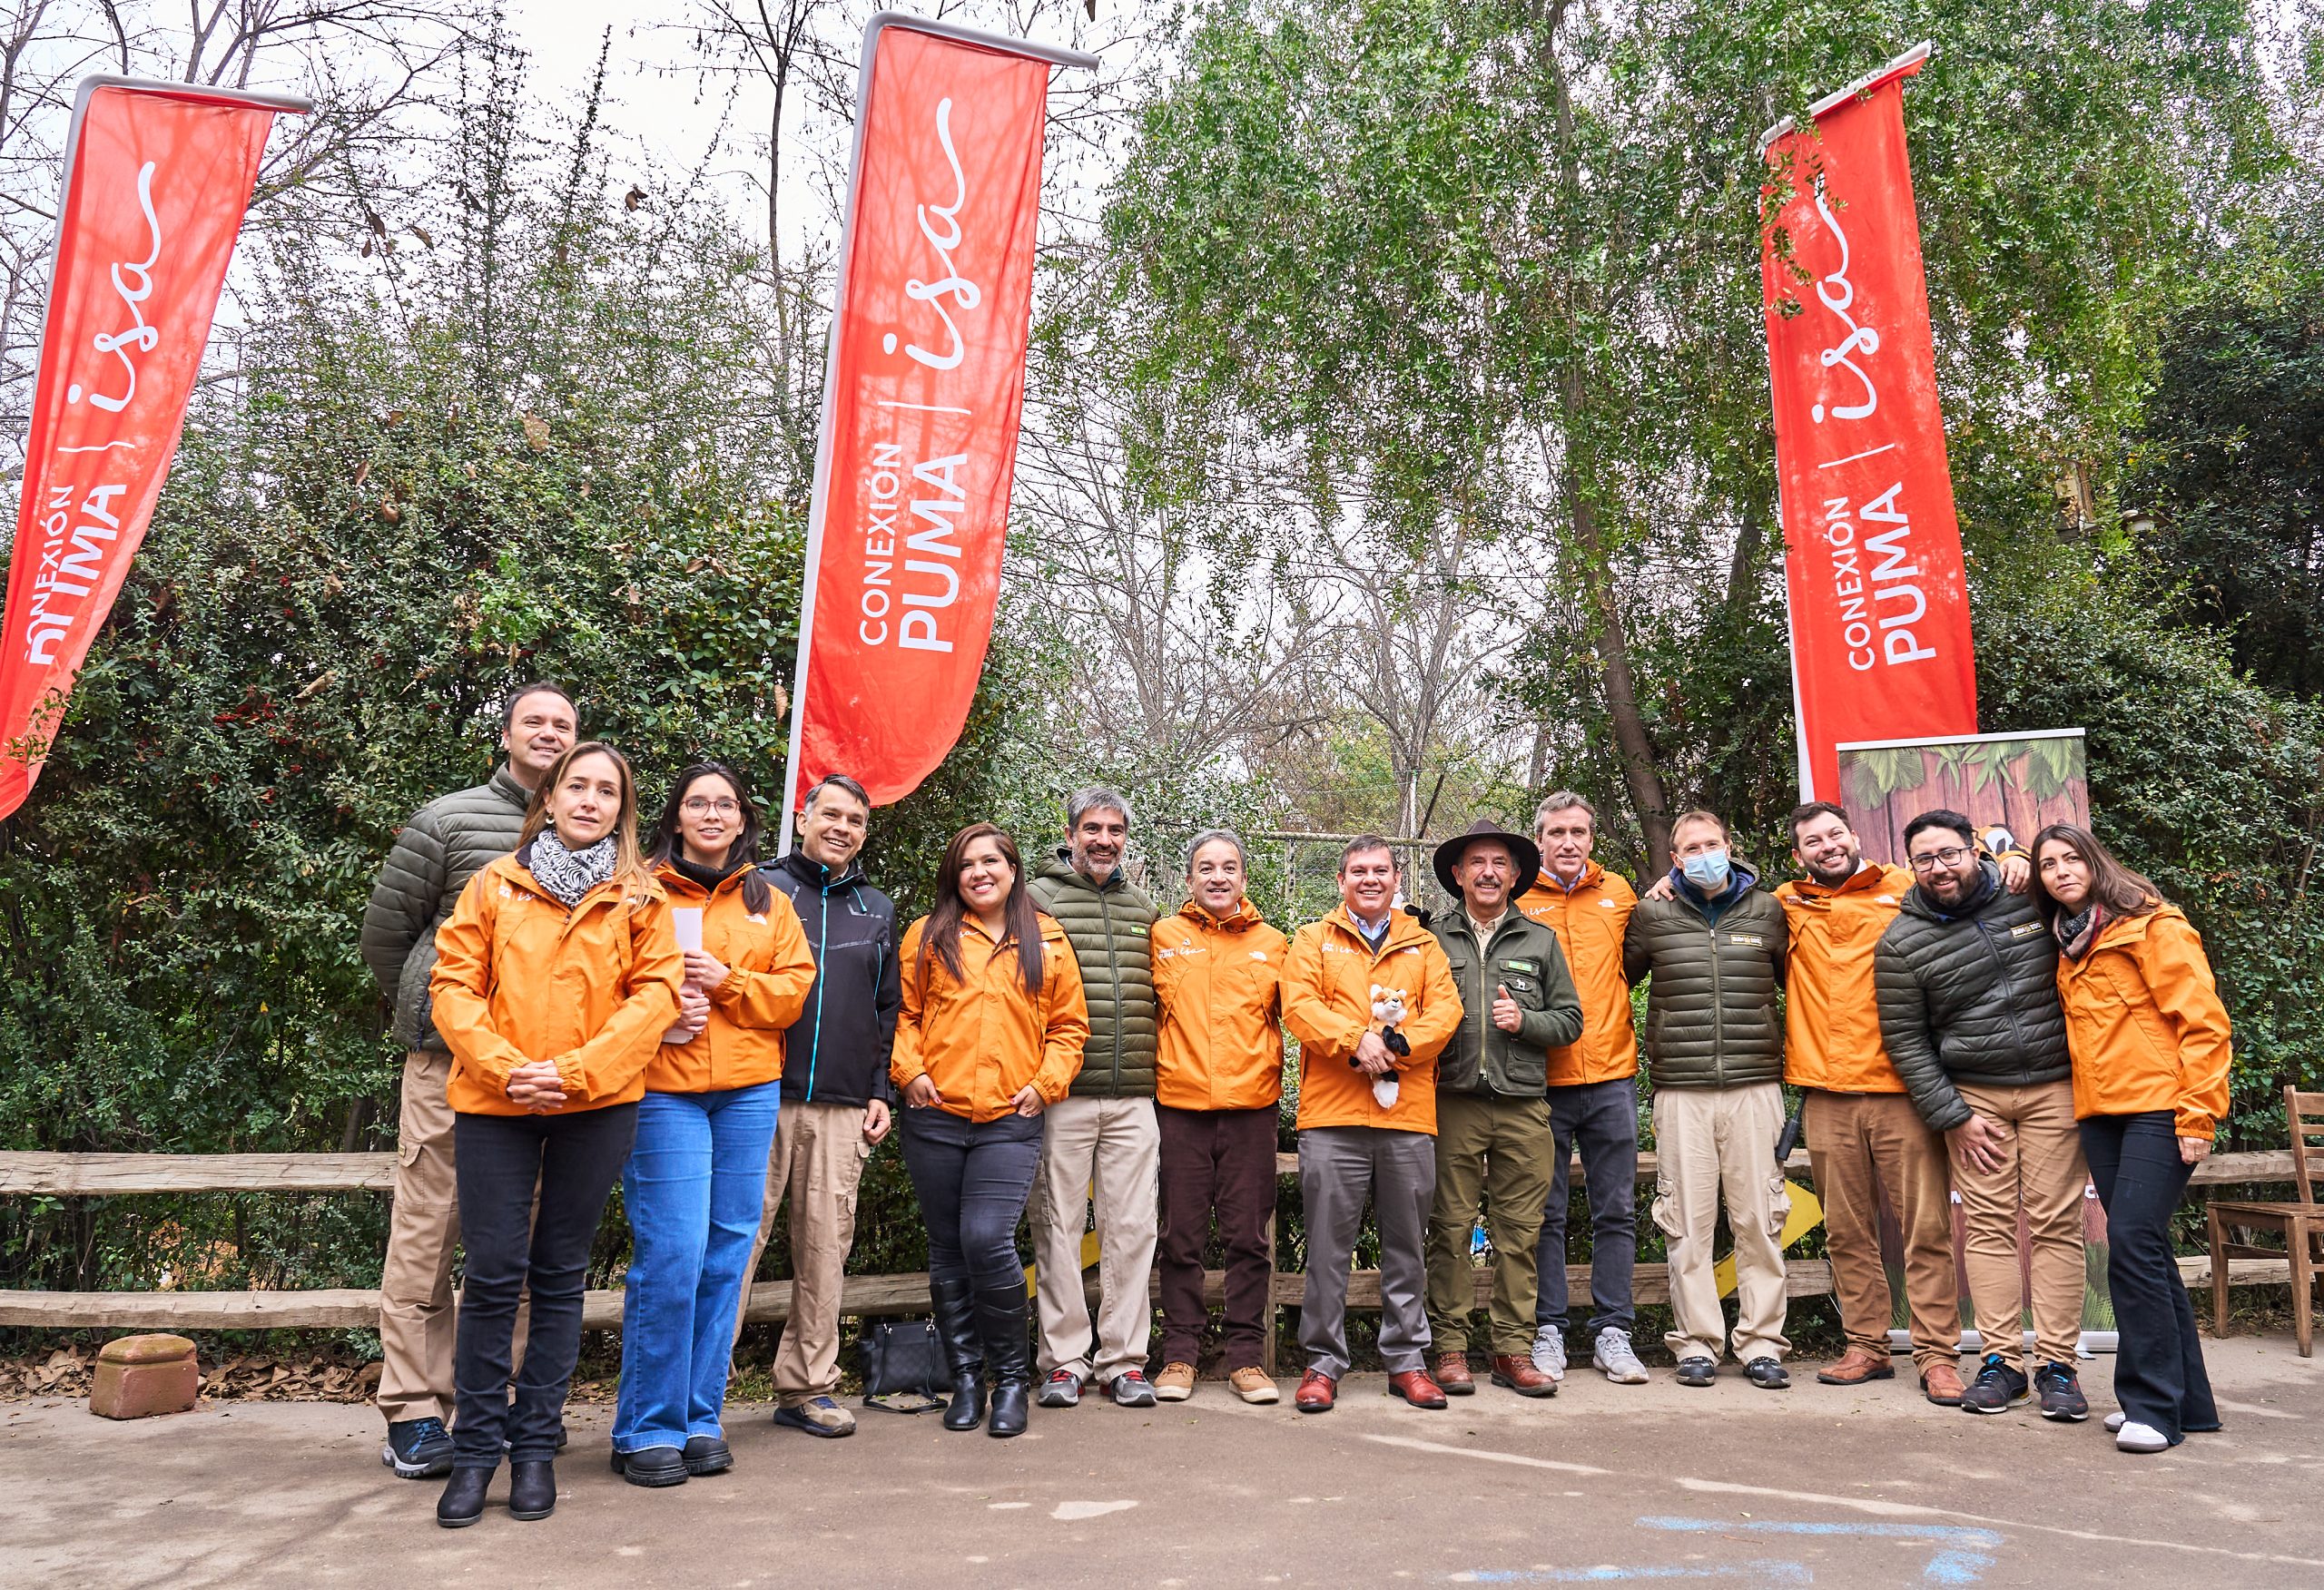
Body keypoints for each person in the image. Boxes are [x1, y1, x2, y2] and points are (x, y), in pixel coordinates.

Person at [426, 741, 682, 1527]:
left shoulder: (642, 900)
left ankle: (535, 1450)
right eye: (578, 786)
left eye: (608, 791)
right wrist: (509, 1069)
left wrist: (572, 1072)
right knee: (496, 1271)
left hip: (596, 1105)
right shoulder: (493, 886)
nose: (592, 800)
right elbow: (453, 986)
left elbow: (657, 997)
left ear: (622, 810)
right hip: (495, 1103)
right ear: (550, 796)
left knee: (561, 1273)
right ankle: (475, 1455)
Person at [360, 681, 578, 1480]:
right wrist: (443, 1016)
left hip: (541, 1079)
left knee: (518, 1241)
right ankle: (414, 1408)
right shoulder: (450, 820)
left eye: (564, 724)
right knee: (428, 1230)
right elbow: (389, 939)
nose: (549, 734)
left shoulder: (591, 833)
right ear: (508, 732)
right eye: (536, 721)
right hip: (450, 1066)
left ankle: (508, 1401)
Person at [611, 763, 816, 1487]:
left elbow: (793, 991)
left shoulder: (769, 900)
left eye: (724, 804)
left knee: (728, 1253)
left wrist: (726, 982)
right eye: (696, 803)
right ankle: (646, 1426)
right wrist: (664, 1010)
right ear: (674, 818)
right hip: (664, 1091)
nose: (711, 814)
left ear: (741, 820)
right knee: (673, 1252)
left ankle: (700, 1417)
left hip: (749, 1092)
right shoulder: (637, 891)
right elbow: (604, 984)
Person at [1876, 809, 2091, 1422]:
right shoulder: (1900, 942)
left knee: (2054, 1223)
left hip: (2055, 1087)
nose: (1939, 868)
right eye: (1924, 859)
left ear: (1975, 850)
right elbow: (1906, 1041)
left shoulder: (2029, 898)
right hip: (1975, 1099)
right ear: (1910, 865)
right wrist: (1953, 1117)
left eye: (1949, 853)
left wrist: (2021, 857)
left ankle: (2058, 1366)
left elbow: (2080, 882)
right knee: (1991, 1227)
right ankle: (2001, 1363)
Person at [2031, 823, 2230, 1453]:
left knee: (2132, 1243)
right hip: (2100, 1112)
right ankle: (2187, 1403)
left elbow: (2204, 1025)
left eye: (2071, 859)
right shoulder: (2067, 941)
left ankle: (2150, 1407)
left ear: (2095, 862)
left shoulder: (2152, 926)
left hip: (2160, 1107)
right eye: (2046, 865)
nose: (2060, 871)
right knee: (2151, 1253)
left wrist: (2199, 1114)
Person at [892, 824, 1089, 1438]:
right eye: (967, 863)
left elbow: (1069, 1028)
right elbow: (904, 1013)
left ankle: (1010, 1381)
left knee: (986, 1238)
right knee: (948, 1247)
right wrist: (910, 1071)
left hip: (1010, 1118)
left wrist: (1045, 1085)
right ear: (955, 874)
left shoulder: (1047, 938)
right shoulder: (927, 936)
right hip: (935, 1117)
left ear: (1012, 869)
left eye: (991, 861)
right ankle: (967, 1379)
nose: (980, 872)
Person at [1777, 801, 1969, 1405]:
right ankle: (1866, 1346)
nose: (1828, 846)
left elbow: (1973, 879)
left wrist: (2012, 861)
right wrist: (1669, 879)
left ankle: (1938, 1355)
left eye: (1836, 834)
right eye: (1814, 840)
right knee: (1847, 1230)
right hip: (1826, 1093)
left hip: (1902, 1090)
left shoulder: (1907, 885)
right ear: (1799, 854)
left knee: (1926, 1227)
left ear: (1855, 836)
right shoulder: (1787, 902)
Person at [737, 772, 901, 1440]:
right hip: (754, 1096)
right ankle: (693, 1391)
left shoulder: (878, 907)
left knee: (825, 1250)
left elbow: (887, 1009)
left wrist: (878, 1088)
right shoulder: (758, 888)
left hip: (840, 1106)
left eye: (855, 821)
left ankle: (807, 1386)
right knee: (733, 1247)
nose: (841, 828)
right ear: (803, 818)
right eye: (829, 814)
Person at [1280, 836, 1462, 1414]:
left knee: (1407, 1247)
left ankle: (1407, 1361)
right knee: (1328, 1249)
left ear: (1396, 876)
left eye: (1380, 870)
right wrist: (1353, 1041)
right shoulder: (1313, 939)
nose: (1370, 879)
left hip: (1407, 1119)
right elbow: (1299, 1006)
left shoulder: (1424, 945)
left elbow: (1446, 1012)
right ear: (1341, 880)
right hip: (1332, 1116)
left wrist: (1397, 1046)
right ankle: (1322, 1363)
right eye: (1358, 871)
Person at [1626, 809, 1792, 1390]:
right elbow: (1614, 978)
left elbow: (1799, 982)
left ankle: (1762, 1343)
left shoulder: (1769, 910)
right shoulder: (1652, 914)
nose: (1702, 854)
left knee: (1758, 1219)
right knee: (1687, 1223)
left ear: (1730, 845)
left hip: (1755, 1086)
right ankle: (1695, 1343)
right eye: (1690, 848)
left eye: (1711, 844)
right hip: (1681, 1090)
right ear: (1675, 859)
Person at [1424, 820, 1584, 1399]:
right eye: (1477, 863)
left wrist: (1527, 1022)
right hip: (1452, 1103)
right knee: (1449, 1230)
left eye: (1499, 863)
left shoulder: (1539, 941)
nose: (1488, 872)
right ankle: (1449, 1349)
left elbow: (1570, 1020)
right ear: (1459, 874)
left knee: (1521, 1234)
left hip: (1522, 1107)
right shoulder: (1431, 939)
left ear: (1515, 875)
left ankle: (1513, 1351)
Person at [1028, 788, 1163, 1408]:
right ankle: (1063, 1360)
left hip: (1135, 1096)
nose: (1103, 839)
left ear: (1125, 838)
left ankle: (1124, 1360)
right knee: (1057, 1225)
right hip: (1062, 1096)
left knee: (1131, 1228)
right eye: (1092, 828)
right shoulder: (1034, 899)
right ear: (1071, 831)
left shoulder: (1146, 908)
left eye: (1114, 830)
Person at [1147, 829, 1289, 1405]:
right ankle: (1179, 1356)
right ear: (1189, 879)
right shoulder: (1162, 937)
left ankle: (1246, 1360)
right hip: (1178, 1109)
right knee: (1179, 1238)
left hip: (1252, 1110)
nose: (1218, 877)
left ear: (1244, 878)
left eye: (1229, 867)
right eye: (1206, 867)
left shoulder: (1275, 943)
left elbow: (1304, 1014)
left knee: (1248, 1240)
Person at [1518, 792, 1650, 1386]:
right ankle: (1548, 1330)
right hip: (1540, 1082)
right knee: (1543, 1215)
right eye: (1556, 832)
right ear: (1539, 839)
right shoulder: (1518, 899)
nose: (1567, 841)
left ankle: (1613, 1332)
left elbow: (1640, 958)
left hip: (1612, 1078)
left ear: (1592, 838)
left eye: (1578, 831)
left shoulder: (1620, 893)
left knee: (1615, 1212)